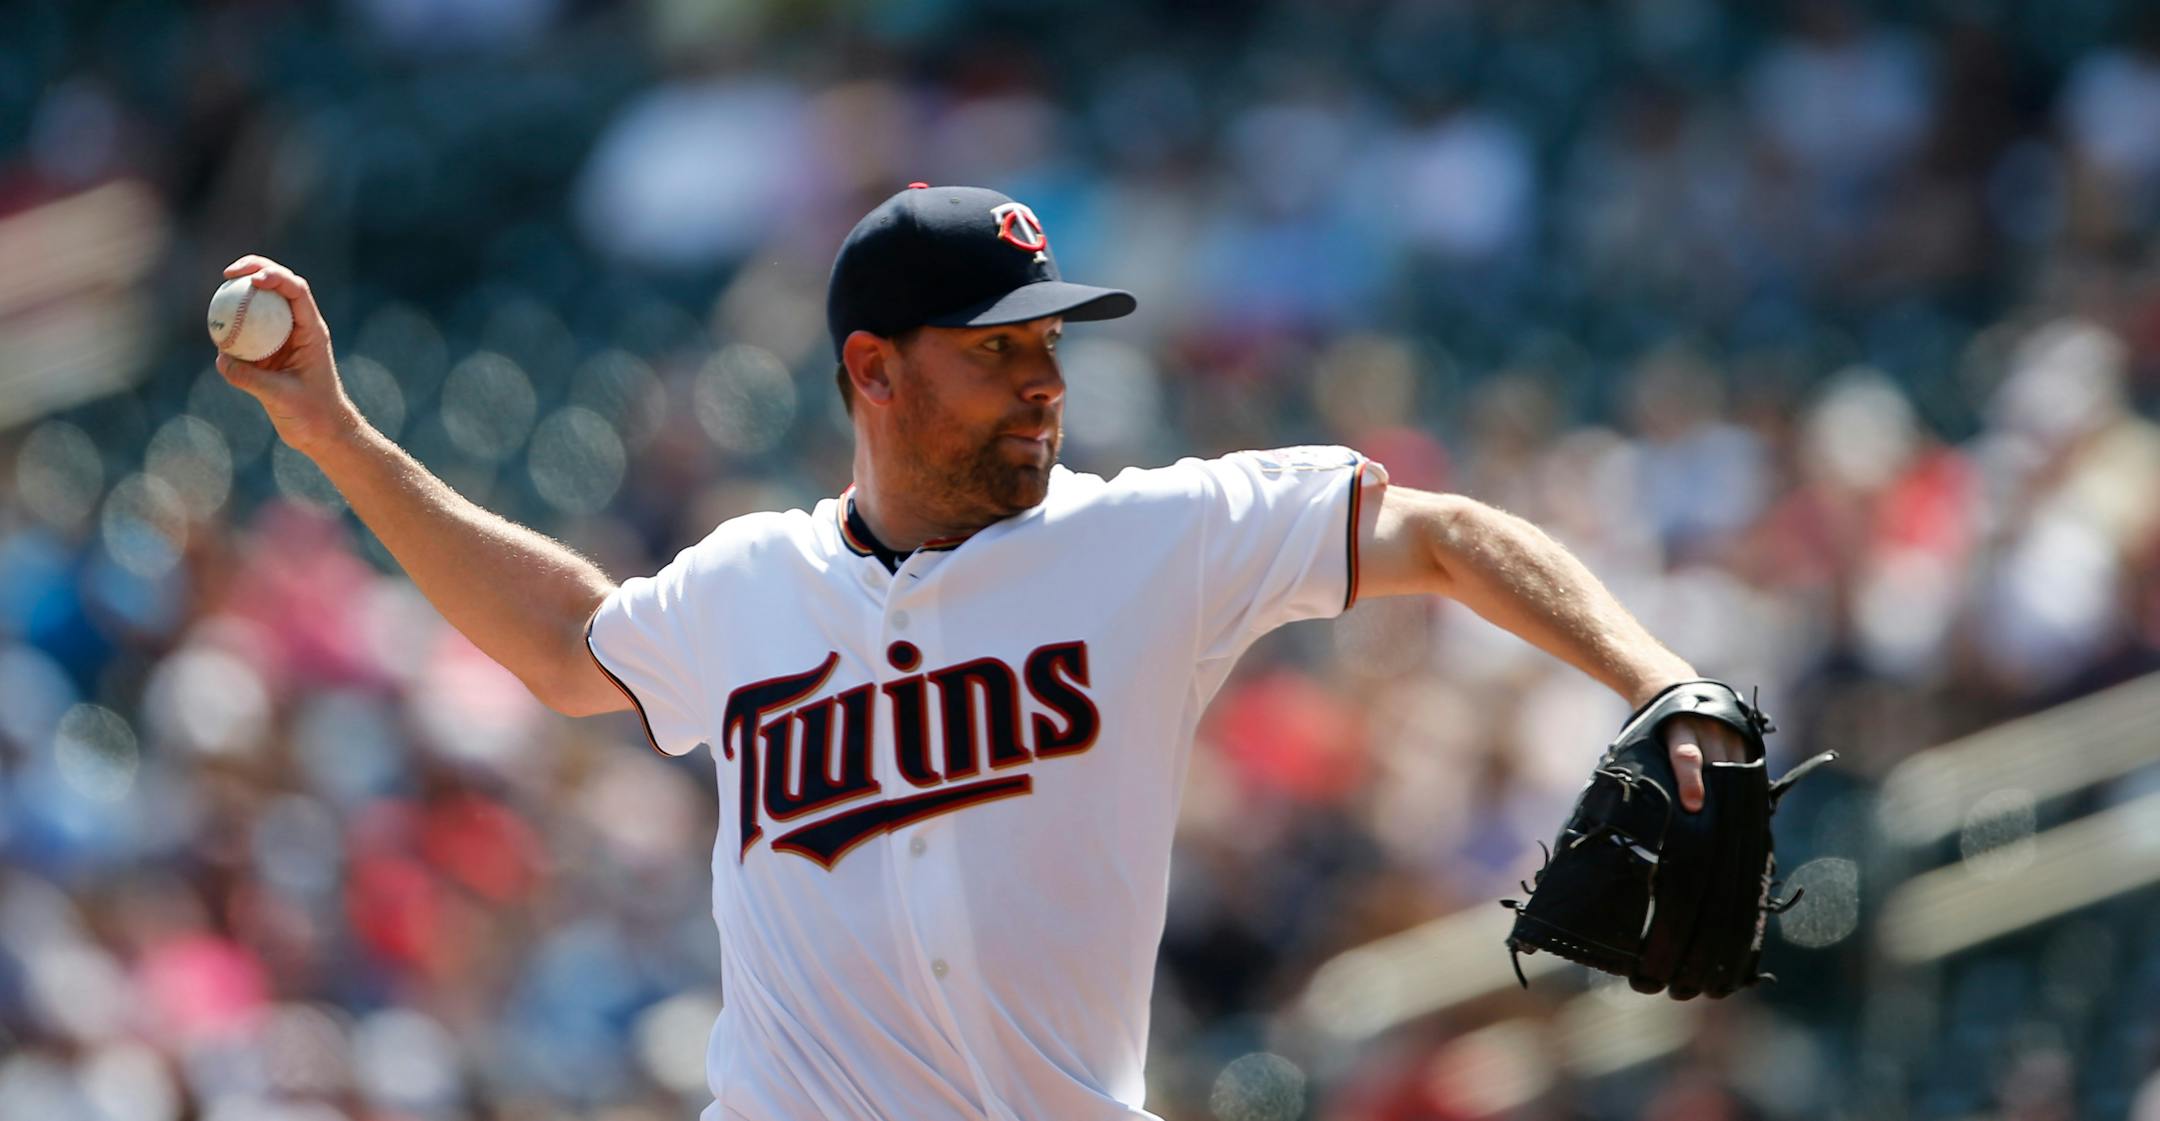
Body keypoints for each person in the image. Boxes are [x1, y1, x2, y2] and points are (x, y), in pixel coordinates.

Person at [214, 183, 1746, 1121]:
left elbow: (1435, 530)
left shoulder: (1147, 537)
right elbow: (565, 643)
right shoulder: (753, 582)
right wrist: (336, 436)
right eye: (996, 348)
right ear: (870, 371)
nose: (1043, 382)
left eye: (1051, 346)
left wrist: (1650, 674)